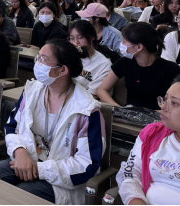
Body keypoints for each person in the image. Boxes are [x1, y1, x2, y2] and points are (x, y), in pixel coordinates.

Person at [0, 39, 105, 205]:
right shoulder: (32, 91)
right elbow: (12, 127)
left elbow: (87, 165)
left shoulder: (87, 110)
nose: (37, 63)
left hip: (61, 182)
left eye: (43, 59)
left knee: (17, 197)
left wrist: (38, 169)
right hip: (26, 159)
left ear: (62, 70)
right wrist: (19, 151)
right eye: (38, 57)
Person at [117, 77, 180, 206]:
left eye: (174, 103)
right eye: (165, 99)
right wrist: (135, 200)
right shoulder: (151, 134)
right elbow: (130, 172)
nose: (163, 106)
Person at [98, 22, 180, 109]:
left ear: (139, 47)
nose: (121, 44)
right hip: (129, 112)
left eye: (124, 41)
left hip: (159, 115)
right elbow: (102, 90)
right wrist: (120, 110)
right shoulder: (124, 62)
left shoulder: (171, 69)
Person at [68, 20, 111, 97]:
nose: (75, 42)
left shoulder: (104, 65)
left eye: (80, 37)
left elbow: (91, 96)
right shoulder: (67, 56)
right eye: (72, 38)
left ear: (92, 37)